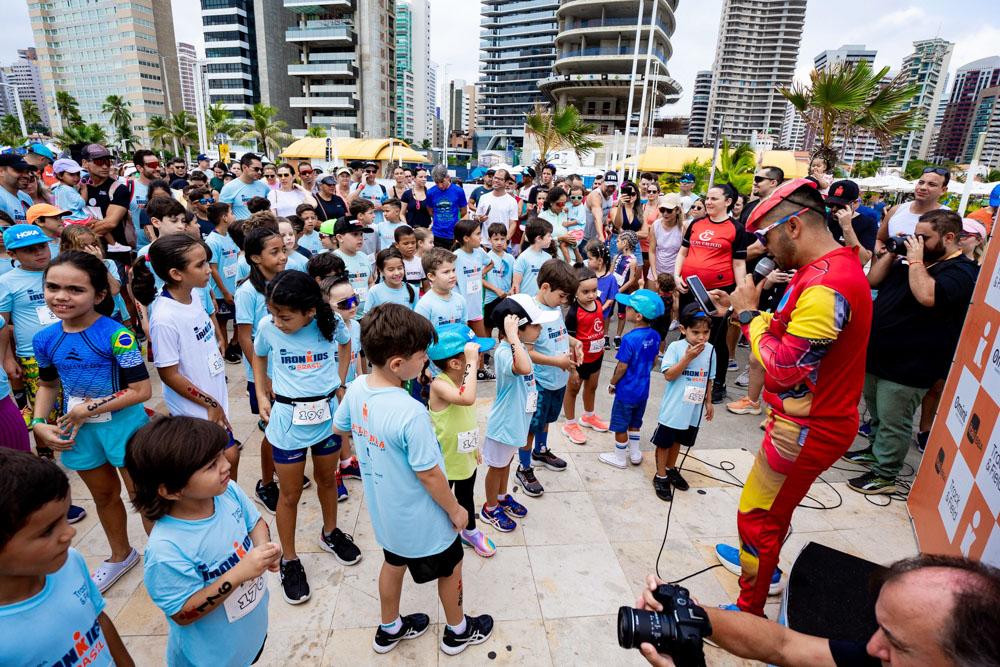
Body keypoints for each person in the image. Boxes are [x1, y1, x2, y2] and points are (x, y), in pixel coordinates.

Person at [708, 178, 873, 617]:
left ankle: (750, 611)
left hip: (808, 427)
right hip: (801, 421)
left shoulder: (826, 285)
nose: (763, 247)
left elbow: (781, 369)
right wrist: (746, 314)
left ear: (794, 226)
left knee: (756, 517)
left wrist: (748, 315)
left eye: (767, 236)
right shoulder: (826, 267)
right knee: (771, 513)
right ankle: (767, 566)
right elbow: (786, 337)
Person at [332, 303, 495, 655]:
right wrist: (456, 511)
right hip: (424, 519)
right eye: (422, 356)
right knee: (451, 569)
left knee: (393, 564)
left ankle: (389, 628)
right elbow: (430, 475)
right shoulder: (410, 413)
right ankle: (458, 631)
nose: (426, 362)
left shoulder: (358, 388)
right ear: (397, 363)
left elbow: (339, 427)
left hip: (387, 514)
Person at [634, 555, 1000, 667]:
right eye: (880, 627)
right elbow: (784, 646)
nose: (873, 647)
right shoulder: (880, 658)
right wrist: (696, 616)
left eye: (897, 645)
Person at [31, 251, 151, 592]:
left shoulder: (117, 335)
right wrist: (38, 422)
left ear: (98, 295)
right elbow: (48, 384)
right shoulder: (45, 339)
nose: (61, 296)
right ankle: (120, 555)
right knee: (104, 496)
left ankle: (164, 558)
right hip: (80, 432)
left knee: (143, 497)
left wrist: (91, 407)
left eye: (75, 289)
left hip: (124, 427)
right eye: (53, 287)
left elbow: (141, 390)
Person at [843, 209, 977, 494]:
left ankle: (885, 473)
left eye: (924, 237)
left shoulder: (961, 271)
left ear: (948, 237)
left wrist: (915, 260)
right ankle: (875, 450)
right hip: (880, 354)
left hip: (912, 364)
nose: (916, 241)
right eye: (915, 235)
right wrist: (892, 253)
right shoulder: (912, 261)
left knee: (895, 419)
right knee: (877, 412)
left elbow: (928, 296)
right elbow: (872, 281)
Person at [126, 417, 277, 666]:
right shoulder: (166, 550)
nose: (227, 465)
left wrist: (263, 548)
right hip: (210, 657)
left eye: (221, 455)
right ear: (171, 490)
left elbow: (255, 523)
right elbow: (182, 613)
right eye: (211, 465)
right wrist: (240, 573)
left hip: (248, 635)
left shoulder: (228, 492)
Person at [252, 270, 360, 603]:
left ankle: (330, 533)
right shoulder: (268, 328)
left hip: (326, 418)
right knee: (290, 493)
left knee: (328, 480)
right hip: (288, 421)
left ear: (310, 311)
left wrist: (340, 382)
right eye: (273, 314)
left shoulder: (330, 323)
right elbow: (259, 355)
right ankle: (289, 559)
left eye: (285, 317)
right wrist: (262, 394)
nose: (277, 321)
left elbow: (346, 343)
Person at [0, 449, 134, 666]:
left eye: (64, 518)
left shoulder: (70, 561)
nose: (70, 532)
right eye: (47, 531)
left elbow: (97, 617)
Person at [135, 234, 240, 477]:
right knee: (223, 462)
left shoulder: (193, 295)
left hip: (212, 398)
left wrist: (216, 339)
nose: (208, 270)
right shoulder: (165, 318)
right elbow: (169, 374)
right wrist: (209, 403)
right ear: (176, 274)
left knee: (226, 462)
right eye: (200, 265)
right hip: (197, 408)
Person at [480, 294, 550, 533]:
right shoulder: (504, 352)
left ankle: (501, 497)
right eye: (536, 325)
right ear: (518, 329)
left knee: (506, 463)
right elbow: (523, 367)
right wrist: (511, 336)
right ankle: (490, 508)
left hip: (516, 421)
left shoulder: (518, 347)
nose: (540, 329)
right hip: (504, 424)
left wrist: (514, 339)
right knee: (497, 467)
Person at [426, 323, 497, 558]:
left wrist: (474, 448)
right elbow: (466, 399)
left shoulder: (466, 382)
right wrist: (471, 364)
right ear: (457, 364)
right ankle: (437, 535)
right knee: (441, 501)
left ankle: (470, 531)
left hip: (465, 454)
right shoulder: (440, 385)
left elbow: (466, 419)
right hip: (445, 461)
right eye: (475, 354)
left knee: (466, 495)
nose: (480, 358)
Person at [674, 183, 747, 403]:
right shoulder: (696, 223)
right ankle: (686, 375)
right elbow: (683, 252)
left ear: (728, 202)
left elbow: (739, 264)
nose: (708, 202)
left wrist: (739, 295)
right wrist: (677, 276)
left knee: (715, 339)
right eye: (708, 198)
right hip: (689, 289)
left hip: (718, 294)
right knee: (688, 334)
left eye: (714, 199)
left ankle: (718, 383)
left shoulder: (737, 229)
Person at [235, 227, 289, 513]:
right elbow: (245, 337)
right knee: (272, 429)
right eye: (275, 252)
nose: (283, 256)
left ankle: (282, 466)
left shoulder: (284, 283)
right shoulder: (247, 292)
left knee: (286, 425)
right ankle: (266, 484)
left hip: (287, 371)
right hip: (264, 373)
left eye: (283, 250)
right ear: (255, 258)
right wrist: (263, 377)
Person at [521, 260, 579, 495]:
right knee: (531, 426)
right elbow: (527, 352)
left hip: (557, 379)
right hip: (539, 382)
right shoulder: (532, 313)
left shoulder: (554, 308)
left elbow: (559, 333)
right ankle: (524, 467)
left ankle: (541, 451)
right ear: (545, 287)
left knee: (546, 420)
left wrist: (575, 342)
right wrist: (558, 363)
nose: (564, 301)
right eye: (561, 296)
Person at [651, 303, 714, 500]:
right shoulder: (676, 348)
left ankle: (671, 469)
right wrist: (687, 358)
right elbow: (669, 375)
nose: (701, 337)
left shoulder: (711, 350)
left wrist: (709, 402)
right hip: (675, 407)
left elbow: (709, 378)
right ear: (683, 329)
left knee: (679, 440)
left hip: (693, 408)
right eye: (696, 332)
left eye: (706, 332)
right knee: (665, 443)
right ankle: (660, 475)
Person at [0, 224, 60, 432]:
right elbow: (2, 325)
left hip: (73, 348)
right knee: (44, 414)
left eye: (42, 246)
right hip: (33, 356)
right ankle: (45, 450)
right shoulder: (6, 282)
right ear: (12, 254)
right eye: (28, 250)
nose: (38, 253)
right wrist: (8, 359)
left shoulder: (62, 272)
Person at [599, 289, 664, 469]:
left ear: (638, 316)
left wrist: (613, 382)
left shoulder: (628, 339)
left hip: (626, 391)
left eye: (628, 308)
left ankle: (620, 457)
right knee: (635, 423)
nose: (625, 309)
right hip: (642, 390)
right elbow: (654, 360)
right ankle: (635, 454)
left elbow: (622, 366)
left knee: (620, 425)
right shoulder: (655, 336)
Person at [561, 265, 610, 444]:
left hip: (596, 355)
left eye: (594, 290)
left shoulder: (598, 302)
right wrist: (572, 367)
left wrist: (601, 343)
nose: (591, 295)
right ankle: (569, 424)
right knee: (573, 390)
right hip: (579, 359)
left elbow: (599, 324)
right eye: (586, 292)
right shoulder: (573, 314)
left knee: (592, 386)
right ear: (575, 292)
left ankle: (588, 416)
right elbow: (569, 341)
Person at [451, 220, 495, 379]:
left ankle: (481, 370)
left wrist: (479, 274)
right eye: (477, 234)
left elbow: (490, 263)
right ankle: (463, 373)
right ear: (466, 238)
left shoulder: (480, 252)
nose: (481, 237)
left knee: (480, 342)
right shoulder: (455, 256)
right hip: (461, 309)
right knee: (463, 343)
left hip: (476, 306)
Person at [80, 145, 132, 264]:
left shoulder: (119, 189)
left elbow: (110, 223)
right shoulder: (78, 186)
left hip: (115, 255)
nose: (104, 166)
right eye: (99, 162)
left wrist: (78, 236)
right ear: (85, 163)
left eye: (107, 162)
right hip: (84, 254)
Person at [878, 166, 949, 246]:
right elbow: (879, 240)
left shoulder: (948, 217)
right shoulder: (896, 210)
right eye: (921, 182)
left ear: (943, 190)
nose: (923, 187)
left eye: (932, 185)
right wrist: (881, 251)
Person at [825, 180, 877, 265]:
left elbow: (862, 260)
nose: (834, 209)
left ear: (855, 203)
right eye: (830, 204)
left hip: (847, 270)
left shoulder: (868, 223)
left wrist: (847, 227)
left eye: (840, 206)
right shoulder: (823, 218)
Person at [333, 214, 375, 318]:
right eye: (355, 234)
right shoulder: (334, 259)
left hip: (366, 315)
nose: (360, 238)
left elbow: (370, 282)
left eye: (361, 234)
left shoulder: (364, 256)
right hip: (346, 317)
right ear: (340, 237)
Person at [415, 247, 467, 328]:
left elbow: (464, 328)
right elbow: (421, 333)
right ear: (431, 276)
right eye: (446, 272)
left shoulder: (460, 300)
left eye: (453, 270)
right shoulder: (424, 305)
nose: (452, 275)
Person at [646, 193, 684, 291]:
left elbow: (684, 254)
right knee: (652, 298)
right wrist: (654, 275)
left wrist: (678, 275)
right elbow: (652, 251)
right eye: (662, 210)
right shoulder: (656, 225)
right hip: (657, 270)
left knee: (672, 300)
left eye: (669, 210)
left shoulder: (684, 227)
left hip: (674, 273)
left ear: (677, 210)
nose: (665, 213)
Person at [483, 223, 514, 340]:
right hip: (491, 298)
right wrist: (496, 290)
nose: (499, 242)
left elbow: (514, 279)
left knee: (504, 329)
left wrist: (511, 290)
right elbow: (480, 279)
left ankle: (502, 348)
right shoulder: (486, 258)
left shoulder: (510, 258)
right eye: (496, 239)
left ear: (506, 239)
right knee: (488, 327)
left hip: (506, 298)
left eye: (502, 239)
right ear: (489, 239)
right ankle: (487, 350)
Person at [585, 240, 618, 350]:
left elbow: (611, 298)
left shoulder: (611, 279)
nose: (587, 261)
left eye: (590, 259)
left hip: (600, 316)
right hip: (585, 313)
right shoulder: (588, 274)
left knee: (596, 339)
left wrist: (601, 309)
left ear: (600, 261)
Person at [426, 165, 468, 248]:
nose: (440, 185)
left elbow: (464, 211)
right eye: (437, 182)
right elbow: (431, 212)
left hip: (453, 234)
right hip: (437, 234)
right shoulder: (430, 192)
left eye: (442, 182)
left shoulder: (458, 191)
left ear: (448, 177)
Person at [611, 230, 640, 347]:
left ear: (625, 243)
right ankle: (605, 335)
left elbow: (632, 280)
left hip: (623, 291)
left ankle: (618, 336)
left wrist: (619, 291)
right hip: (613, 289)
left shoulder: (633, 260)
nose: (616, 243)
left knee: (621, 313)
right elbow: (611, 273)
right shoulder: (616, 257)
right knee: (608, 312)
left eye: (618, 241)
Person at [474, 168, 518, 243]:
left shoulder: (512, 201)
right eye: (495, 178)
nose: (496, 180)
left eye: (500, 179)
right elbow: (476, 217)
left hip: (502, 245)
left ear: (506, 182)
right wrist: (479, 219)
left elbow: (513, 224)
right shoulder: (484, 198)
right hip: (485, 243)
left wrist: (505, 241)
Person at [220, 153, 270, 220]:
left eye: (261, 169)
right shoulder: (229, 188)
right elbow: (225, 216)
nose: (259, 172)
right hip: (240, 226)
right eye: (256, 169)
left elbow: (268, 210)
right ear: (244, 167)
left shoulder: (264, 187)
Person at [512, 219, 553, 297]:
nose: (551, 238)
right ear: (538, 239)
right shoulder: (523, 257)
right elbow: (516, 284)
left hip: (541, 301)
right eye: (549, 236)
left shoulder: (548, 257)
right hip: (525, 301)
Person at [350, 161, 389, 235]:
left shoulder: (382, 188)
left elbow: (389, 207)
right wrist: (362, 185)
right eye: (368, 171)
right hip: (360, 227)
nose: (371, 174)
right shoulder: (356, 185)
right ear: (363, 172)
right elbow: (349, 200)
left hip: (377, 226)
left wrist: (380, 207)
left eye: (374, 171)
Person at [51, 158, 91, 224]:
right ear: (60, 175)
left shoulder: (57, 189)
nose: (76, 177)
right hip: (75, 218)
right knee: (98, 222)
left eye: (78, 174)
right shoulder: (68, 189)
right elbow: (81, 203)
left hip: (64, 219)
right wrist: (84, 189)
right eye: (71, 174)